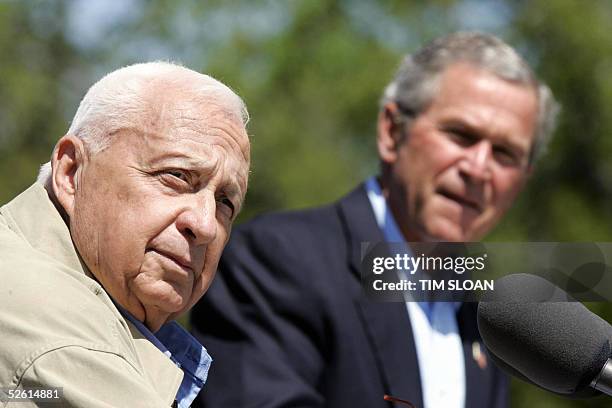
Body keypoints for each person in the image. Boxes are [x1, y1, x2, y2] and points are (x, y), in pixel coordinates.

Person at [191, 32, 559, 408]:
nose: (479, 169)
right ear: (391, 131)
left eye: (505, 153)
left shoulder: (487, 321)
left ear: (523, 180)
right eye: (461, 135)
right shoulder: (277, 259)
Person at [0, 62, 250, 407]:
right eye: (176, 176)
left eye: (225, 202)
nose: (206, 226)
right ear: (72, 173)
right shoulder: (60, 345)